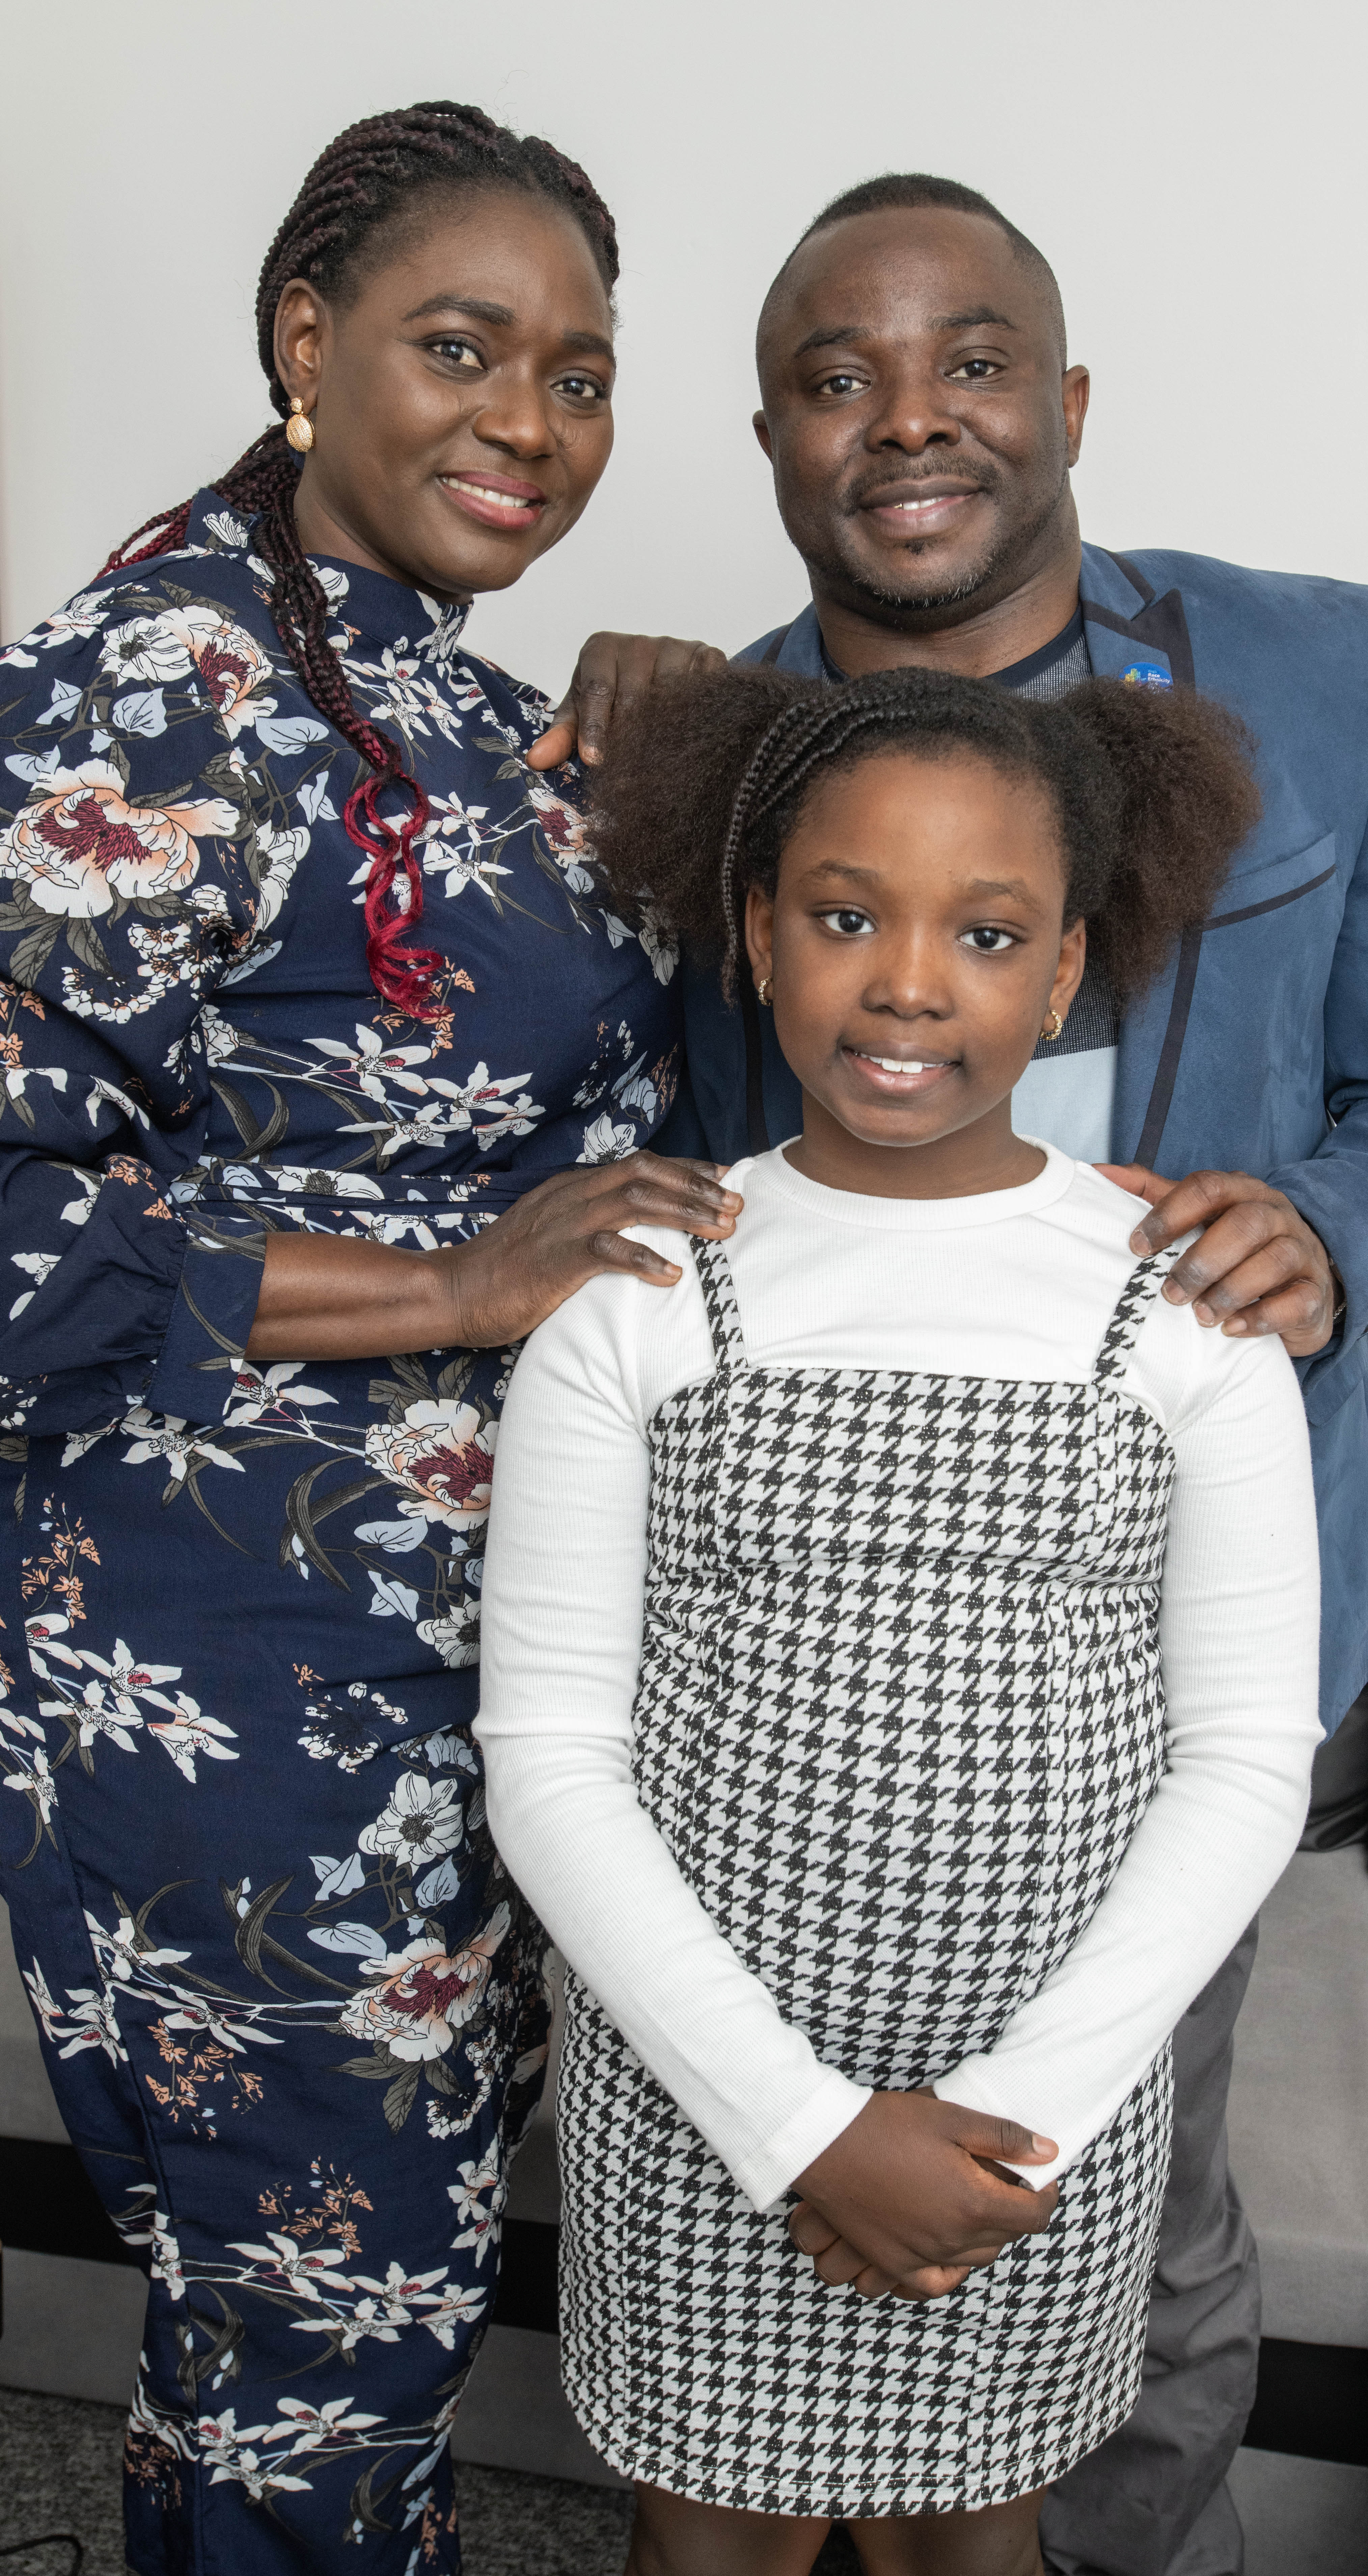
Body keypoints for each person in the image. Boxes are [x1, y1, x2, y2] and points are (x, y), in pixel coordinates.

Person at [532, 173, 1368, 2576]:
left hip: (1193, 1595)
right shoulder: (707, 751)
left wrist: (1329, 1228)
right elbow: (648, 1160)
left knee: (1131, 2213)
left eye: (970, 360)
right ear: (771, 440)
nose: (911, 420)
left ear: (1064, 400)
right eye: (833, 377)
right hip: (779, 1658)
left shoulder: (1327, 670)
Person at [0, 101, 741, 2576]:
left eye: (581, 370)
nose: (530, 418)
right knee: (317, 2331)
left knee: (352, 2331)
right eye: (462, 345)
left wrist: (692, 763)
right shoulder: (153, 682)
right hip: (242, 1685)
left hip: (460, 1668)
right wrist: (453, 1286)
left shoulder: (451, 693)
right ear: (303, 344)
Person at [476, 659, 1322, 2576]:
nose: (910, 980)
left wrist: (1022, 2114)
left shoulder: (1177, 1304)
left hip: (1042, 2109)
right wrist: (788, 2122)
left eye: (986, 929)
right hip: (703, 2090)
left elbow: (1247, 1757)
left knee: (972, 2541)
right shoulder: (640, 1293)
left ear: (1065, 964)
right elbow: (546, 1757)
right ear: (758, 931)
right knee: (714, 2546)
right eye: (847, 913)